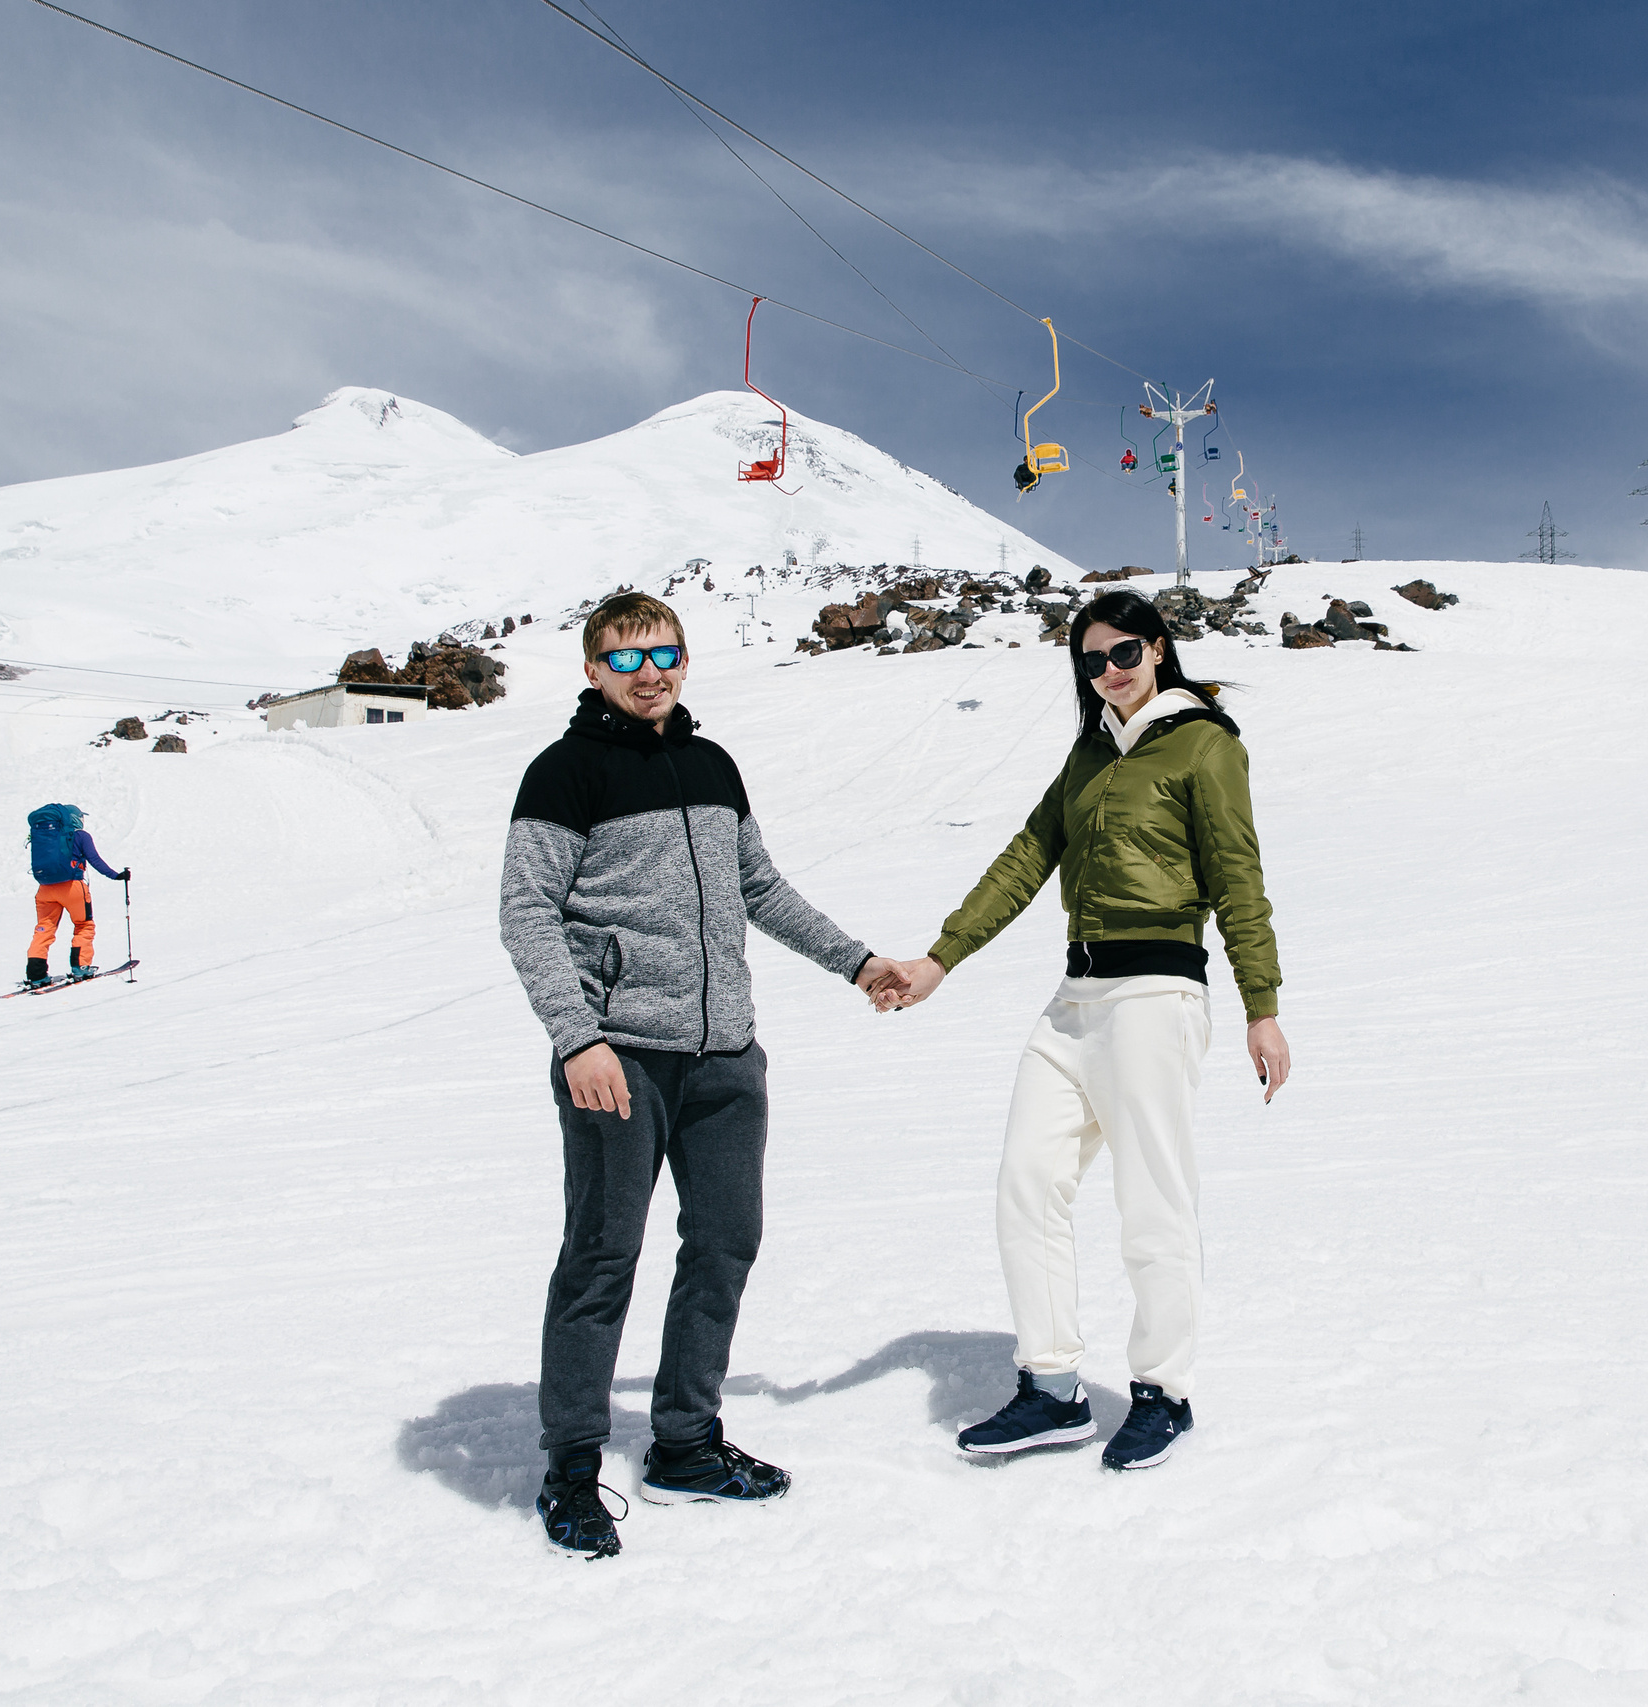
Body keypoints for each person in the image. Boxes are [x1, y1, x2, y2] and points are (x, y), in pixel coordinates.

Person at [499, 590, 907, 1559]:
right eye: (628, 660)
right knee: (601, 1258)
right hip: (619, 1057)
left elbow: (755, 887)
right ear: (594, 671)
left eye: (665, 655)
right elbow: (527, 912)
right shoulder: (564, 772)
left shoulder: (712, 763)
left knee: (725, 1242)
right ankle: (571, 1468)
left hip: (727, 1055)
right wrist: (577, 1038)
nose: (651, 675)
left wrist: (856, 962)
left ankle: (684, 1441)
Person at [880, 589, 1289, 1472]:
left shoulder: (1203, 743)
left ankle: (1163, 1392)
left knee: (1152, 1201)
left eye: (1125, 653)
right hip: (1075, 1001)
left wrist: (1263, 1005)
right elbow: (1028, 856)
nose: (1110, 671)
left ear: (1159, 648)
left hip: (1156, 996)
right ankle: (1053, 1387)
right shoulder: (1089, 754)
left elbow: (1238, 880)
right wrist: (939, 958)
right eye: (1093, 660)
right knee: (1027, 1182)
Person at [23, 803, 128, 985]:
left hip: (45, 889)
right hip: (72, 887)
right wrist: (116, 875)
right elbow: (95, 860)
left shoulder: (46, 837)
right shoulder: (80, 836)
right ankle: (81, 967)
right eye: (81, 817)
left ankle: (36, 975)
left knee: (44, 929)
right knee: (84, 925)